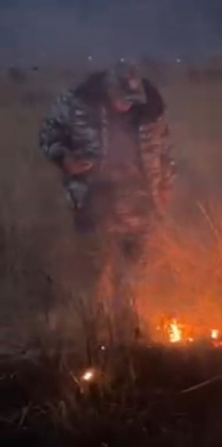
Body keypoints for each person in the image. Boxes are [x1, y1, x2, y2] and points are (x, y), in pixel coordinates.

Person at [38, 60, 176, 337]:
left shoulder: (150, 111)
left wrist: (166, 186)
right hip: (93, 200)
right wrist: (65, 159)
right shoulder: (77, 105)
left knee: (134, 272)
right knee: (94, 268)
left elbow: (165, 151)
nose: (126, 106)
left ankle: (129, 327)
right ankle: (93, 332)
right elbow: (47, 135)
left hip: (140, 202)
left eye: (131, 100)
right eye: (121, 99)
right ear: (108, 89)